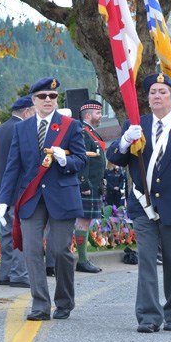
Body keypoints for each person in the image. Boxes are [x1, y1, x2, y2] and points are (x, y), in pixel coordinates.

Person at [106, 73, 171, 333]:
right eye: (152, 92)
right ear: (148, 99)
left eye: (163, 92)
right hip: (144, 205)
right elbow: (115, 158)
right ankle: (149, 316)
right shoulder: (137, 124)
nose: (157, 96)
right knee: (147, 261)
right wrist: (126, 141)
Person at [0, 78, 87, 321]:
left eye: (53, 96)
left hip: (62, 196)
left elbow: (82, 161)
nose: (49, 100)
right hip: (31, 197)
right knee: (32, 250)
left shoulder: (70, 126)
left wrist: (65, 160)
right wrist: (3, 200)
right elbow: (13, 167)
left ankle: (65, 300)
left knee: (59, 251)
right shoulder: (21, 128)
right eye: (43, 96)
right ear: (33, 100)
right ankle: (40, 304)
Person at [0, 96, 34, 288]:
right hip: (18, 190)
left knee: (7, 233)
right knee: (20, 233)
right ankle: (19, 274)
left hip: (2, 191)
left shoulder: (0, 130)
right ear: (26, 111)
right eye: (33, 111)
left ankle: (6, 273)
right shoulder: (22, 129)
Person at [74, 100, 107, 274]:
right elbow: (83, 159)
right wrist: (84, 183)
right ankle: (82, 260)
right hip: (87, 185)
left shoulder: (91, 132)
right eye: (98, 113)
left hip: (94, 184)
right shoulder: (82, 132)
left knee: (86, 221)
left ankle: (83, 258)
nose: (100, 117)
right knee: (83, 220)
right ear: (88, 114)